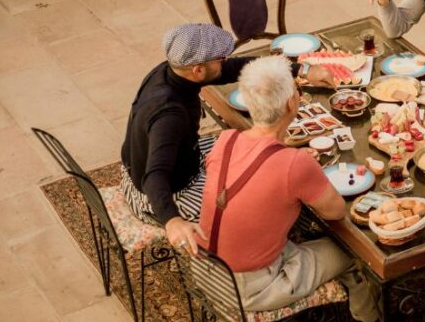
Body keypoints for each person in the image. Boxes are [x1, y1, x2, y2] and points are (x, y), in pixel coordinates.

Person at [195, 56, 388, 322]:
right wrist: (297, 168)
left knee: (302, 226)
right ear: (291, 104)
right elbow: (336, 211)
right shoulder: (293, 163)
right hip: (248, 288)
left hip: (204, 269)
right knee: (354, 251)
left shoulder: (227, 140)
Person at [120, 23, 335, 252]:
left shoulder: (171, 70)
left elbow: (235, 68)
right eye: (219, 58)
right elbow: (154, 176)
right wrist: (172, 220)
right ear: (198, 71)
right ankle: (303, 226)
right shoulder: (169, 115)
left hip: (180, 157)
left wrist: (301, 70)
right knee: (257, 199)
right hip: (167, 192)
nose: (225, 60)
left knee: (247, 146)